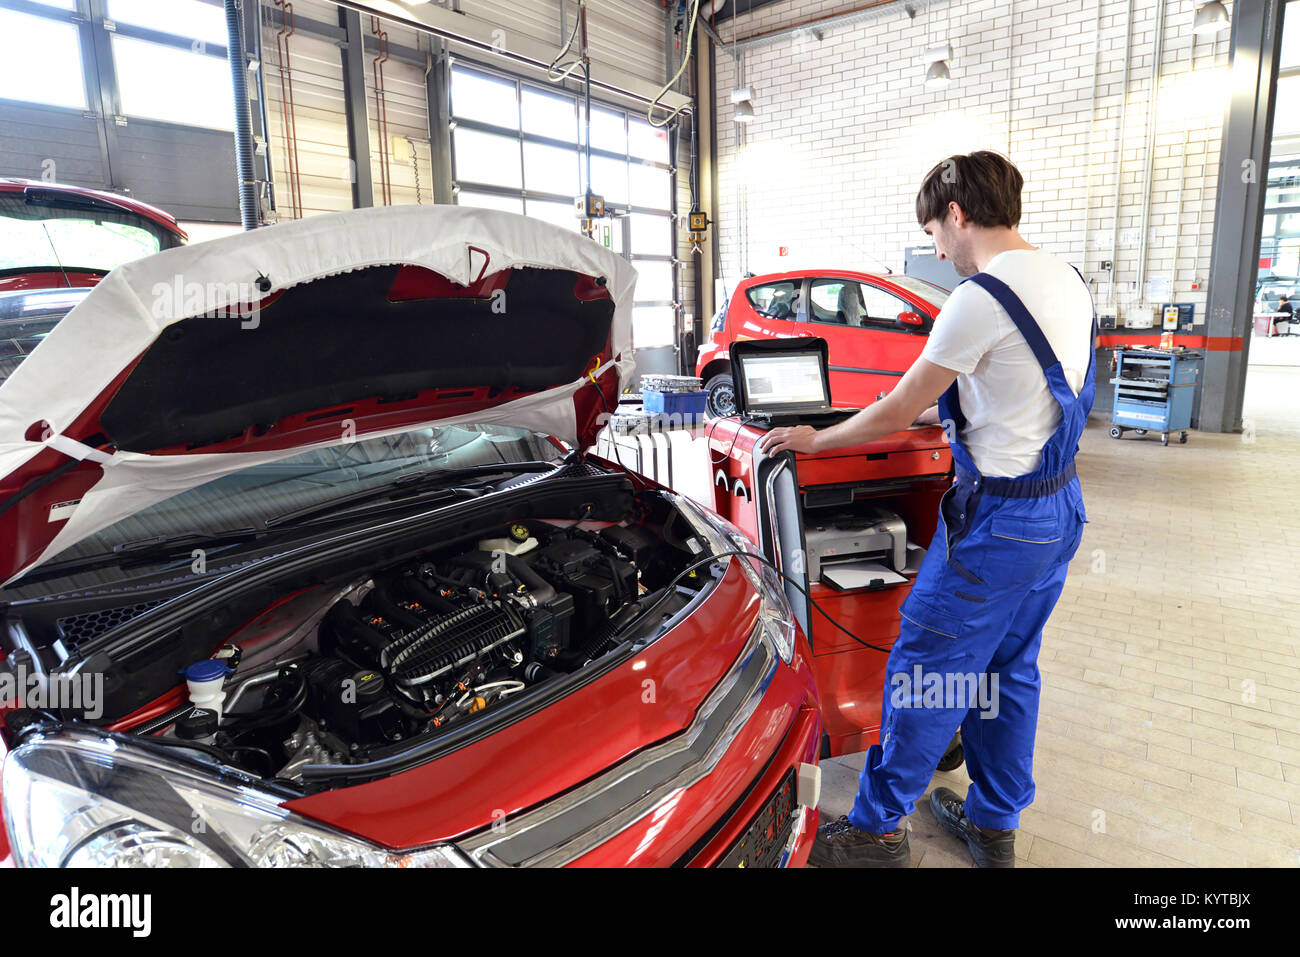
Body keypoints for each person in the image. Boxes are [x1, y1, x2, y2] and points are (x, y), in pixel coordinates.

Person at [758, 151, 1096, 868]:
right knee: (1009, 668)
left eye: (934, 235)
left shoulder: (981, 298)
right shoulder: (1067, 279)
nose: (936, 251)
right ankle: (993, 822)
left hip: (997, 524)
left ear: (957, 215)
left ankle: (878, 830)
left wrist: (816, 436)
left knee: (929, 670)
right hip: (1058, 510)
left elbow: (896, 407)